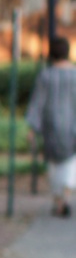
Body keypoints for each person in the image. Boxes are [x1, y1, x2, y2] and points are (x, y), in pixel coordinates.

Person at [26, 35, 76, 217]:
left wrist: (32, 128)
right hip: (72, 128)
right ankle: (66, 197)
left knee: (54, 166)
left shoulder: (46, 75)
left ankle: (58, 200)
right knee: (71, 163)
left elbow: (37, 103)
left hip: (51, 127)